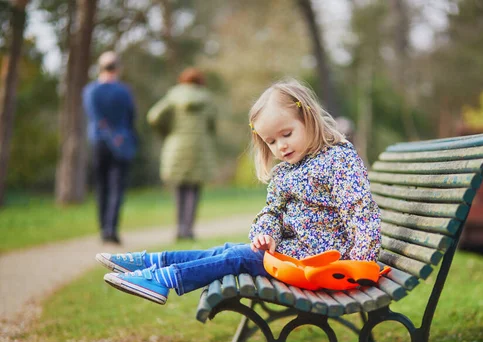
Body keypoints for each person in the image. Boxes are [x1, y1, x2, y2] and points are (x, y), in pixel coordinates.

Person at [97, 79, 381, 305]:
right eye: (271, 141)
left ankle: (164, 280)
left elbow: (359, 210)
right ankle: (152, 262)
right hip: (291, 253)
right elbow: (272, 211)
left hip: (322, 262)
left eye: (287, 134)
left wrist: (359, 262)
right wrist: (267, 233)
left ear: (308, 118)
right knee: (228, 251)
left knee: (238, 259)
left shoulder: (338, 159)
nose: (280, 146)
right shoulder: (285, 171)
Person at [146, 67, 217, 241]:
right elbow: (212, 125)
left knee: (179, 189)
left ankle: (179, 229)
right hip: (199, 148)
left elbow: (153, 116)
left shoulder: (173, 97)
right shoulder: (207, 99)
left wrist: (166, 131)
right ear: (200, 82)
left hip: (176, 146)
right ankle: (189, 229)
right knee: (194, 189)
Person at [83, 51, 137, 245]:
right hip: (121, 143)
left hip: (99, 142)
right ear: (118, 68)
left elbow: (95, 118)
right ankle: (112, 228)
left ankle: (102, 229)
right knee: (117, 188)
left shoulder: (90, 91)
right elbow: (131, 118)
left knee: (102, 186)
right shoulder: (124, 91)